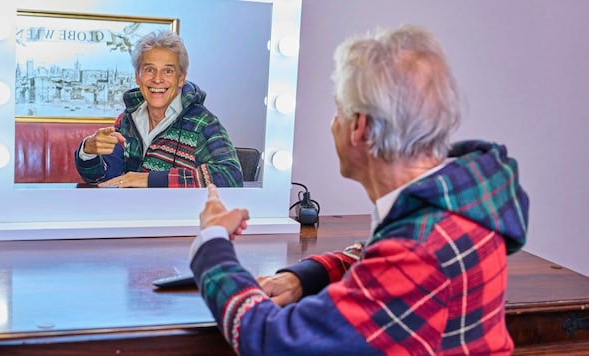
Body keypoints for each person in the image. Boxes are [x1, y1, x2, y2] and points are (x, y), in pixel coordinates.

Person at [189, 25, 529, 355]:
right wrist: (302, 278)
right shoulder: (458, 202)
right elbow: (375, 255)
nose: (332, 123)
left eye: (338, 111)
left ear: (359, 127)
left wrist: (213, 243)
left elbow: (274, 340)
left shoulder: (417, 254)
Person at [75, 29, 243, 188]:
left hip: (178, 217)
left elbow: (230, 177)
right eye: (149, 70)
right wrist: (88, 152)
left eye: (168, 71)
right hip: (131, 214)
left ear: (181, 78)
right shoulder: (126, 120)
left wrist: (150, 179)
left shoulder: (203, 123)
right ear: (137, 77)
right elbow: (106, 179)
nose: (157, 79)